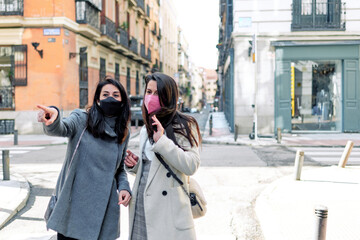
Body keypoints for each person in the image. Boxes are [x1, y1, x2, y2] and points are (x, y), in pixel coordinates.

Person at [37, 77, 132, 240]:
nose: (110, 98)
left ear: (122, 101)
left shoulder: (123, 131)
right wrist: (52, 117)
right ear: (97, 99)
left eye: (116, 95)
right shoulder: (82, 119)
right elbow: (63, 127)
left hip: (104, 212)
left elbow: (119, 169)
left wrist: (124, 187)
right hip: (74, 208)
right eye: (106, 94)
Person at [124, 72, 201, 240]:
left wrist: (163, 142)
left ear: (168, 96)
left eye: (157, 93)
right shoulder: (146, 129)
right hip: (142, 206)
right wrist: (136, 165)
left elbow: (191, 165)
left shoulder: (184, 125)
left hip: (168, 212)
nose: (151, 97)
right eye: (149, 92)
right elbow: (153, 171)